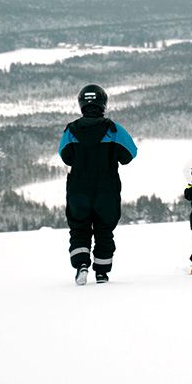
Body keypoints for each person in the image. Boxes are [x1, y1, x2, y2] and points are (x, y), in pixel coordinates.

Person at [58, 84, 137, 285]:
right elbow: (130, 154)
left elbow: (65, 156)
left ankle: (81, 265)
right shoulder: (113, 129)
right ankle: (101, 273)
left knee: (79, 228)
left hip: (78, 189)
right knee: (104, 230)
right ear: (103, 103)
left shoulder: (71, 130)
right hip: (107, 189)